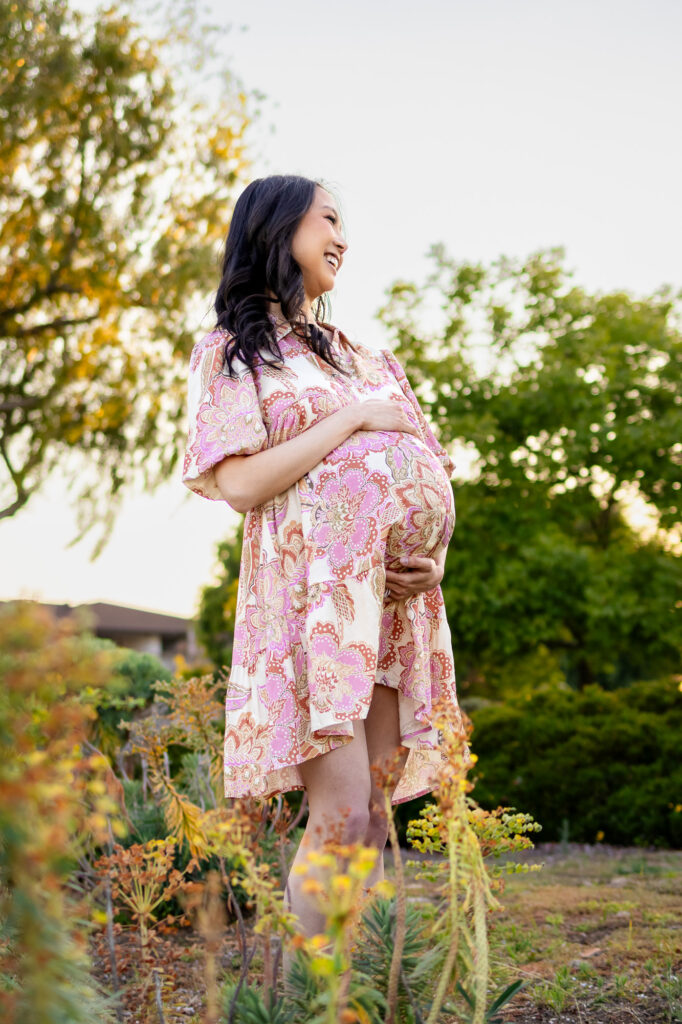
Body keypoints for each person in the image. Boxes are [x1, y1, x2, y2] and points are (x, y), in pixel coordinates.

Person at [182, 174, 465, 939]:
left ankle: (340, 988)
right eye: (329, 219)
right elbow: (239, 483)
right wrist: (349, 422)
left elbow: (417, 466)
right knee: (338, 815)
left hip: (392, 604)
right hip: (307, 605)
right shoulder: (232, 356)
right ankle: (309, 994)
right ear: (278, 229)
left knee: (374, 817)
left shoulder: (362, 356)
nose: (344, 237)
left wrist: (431, 565)